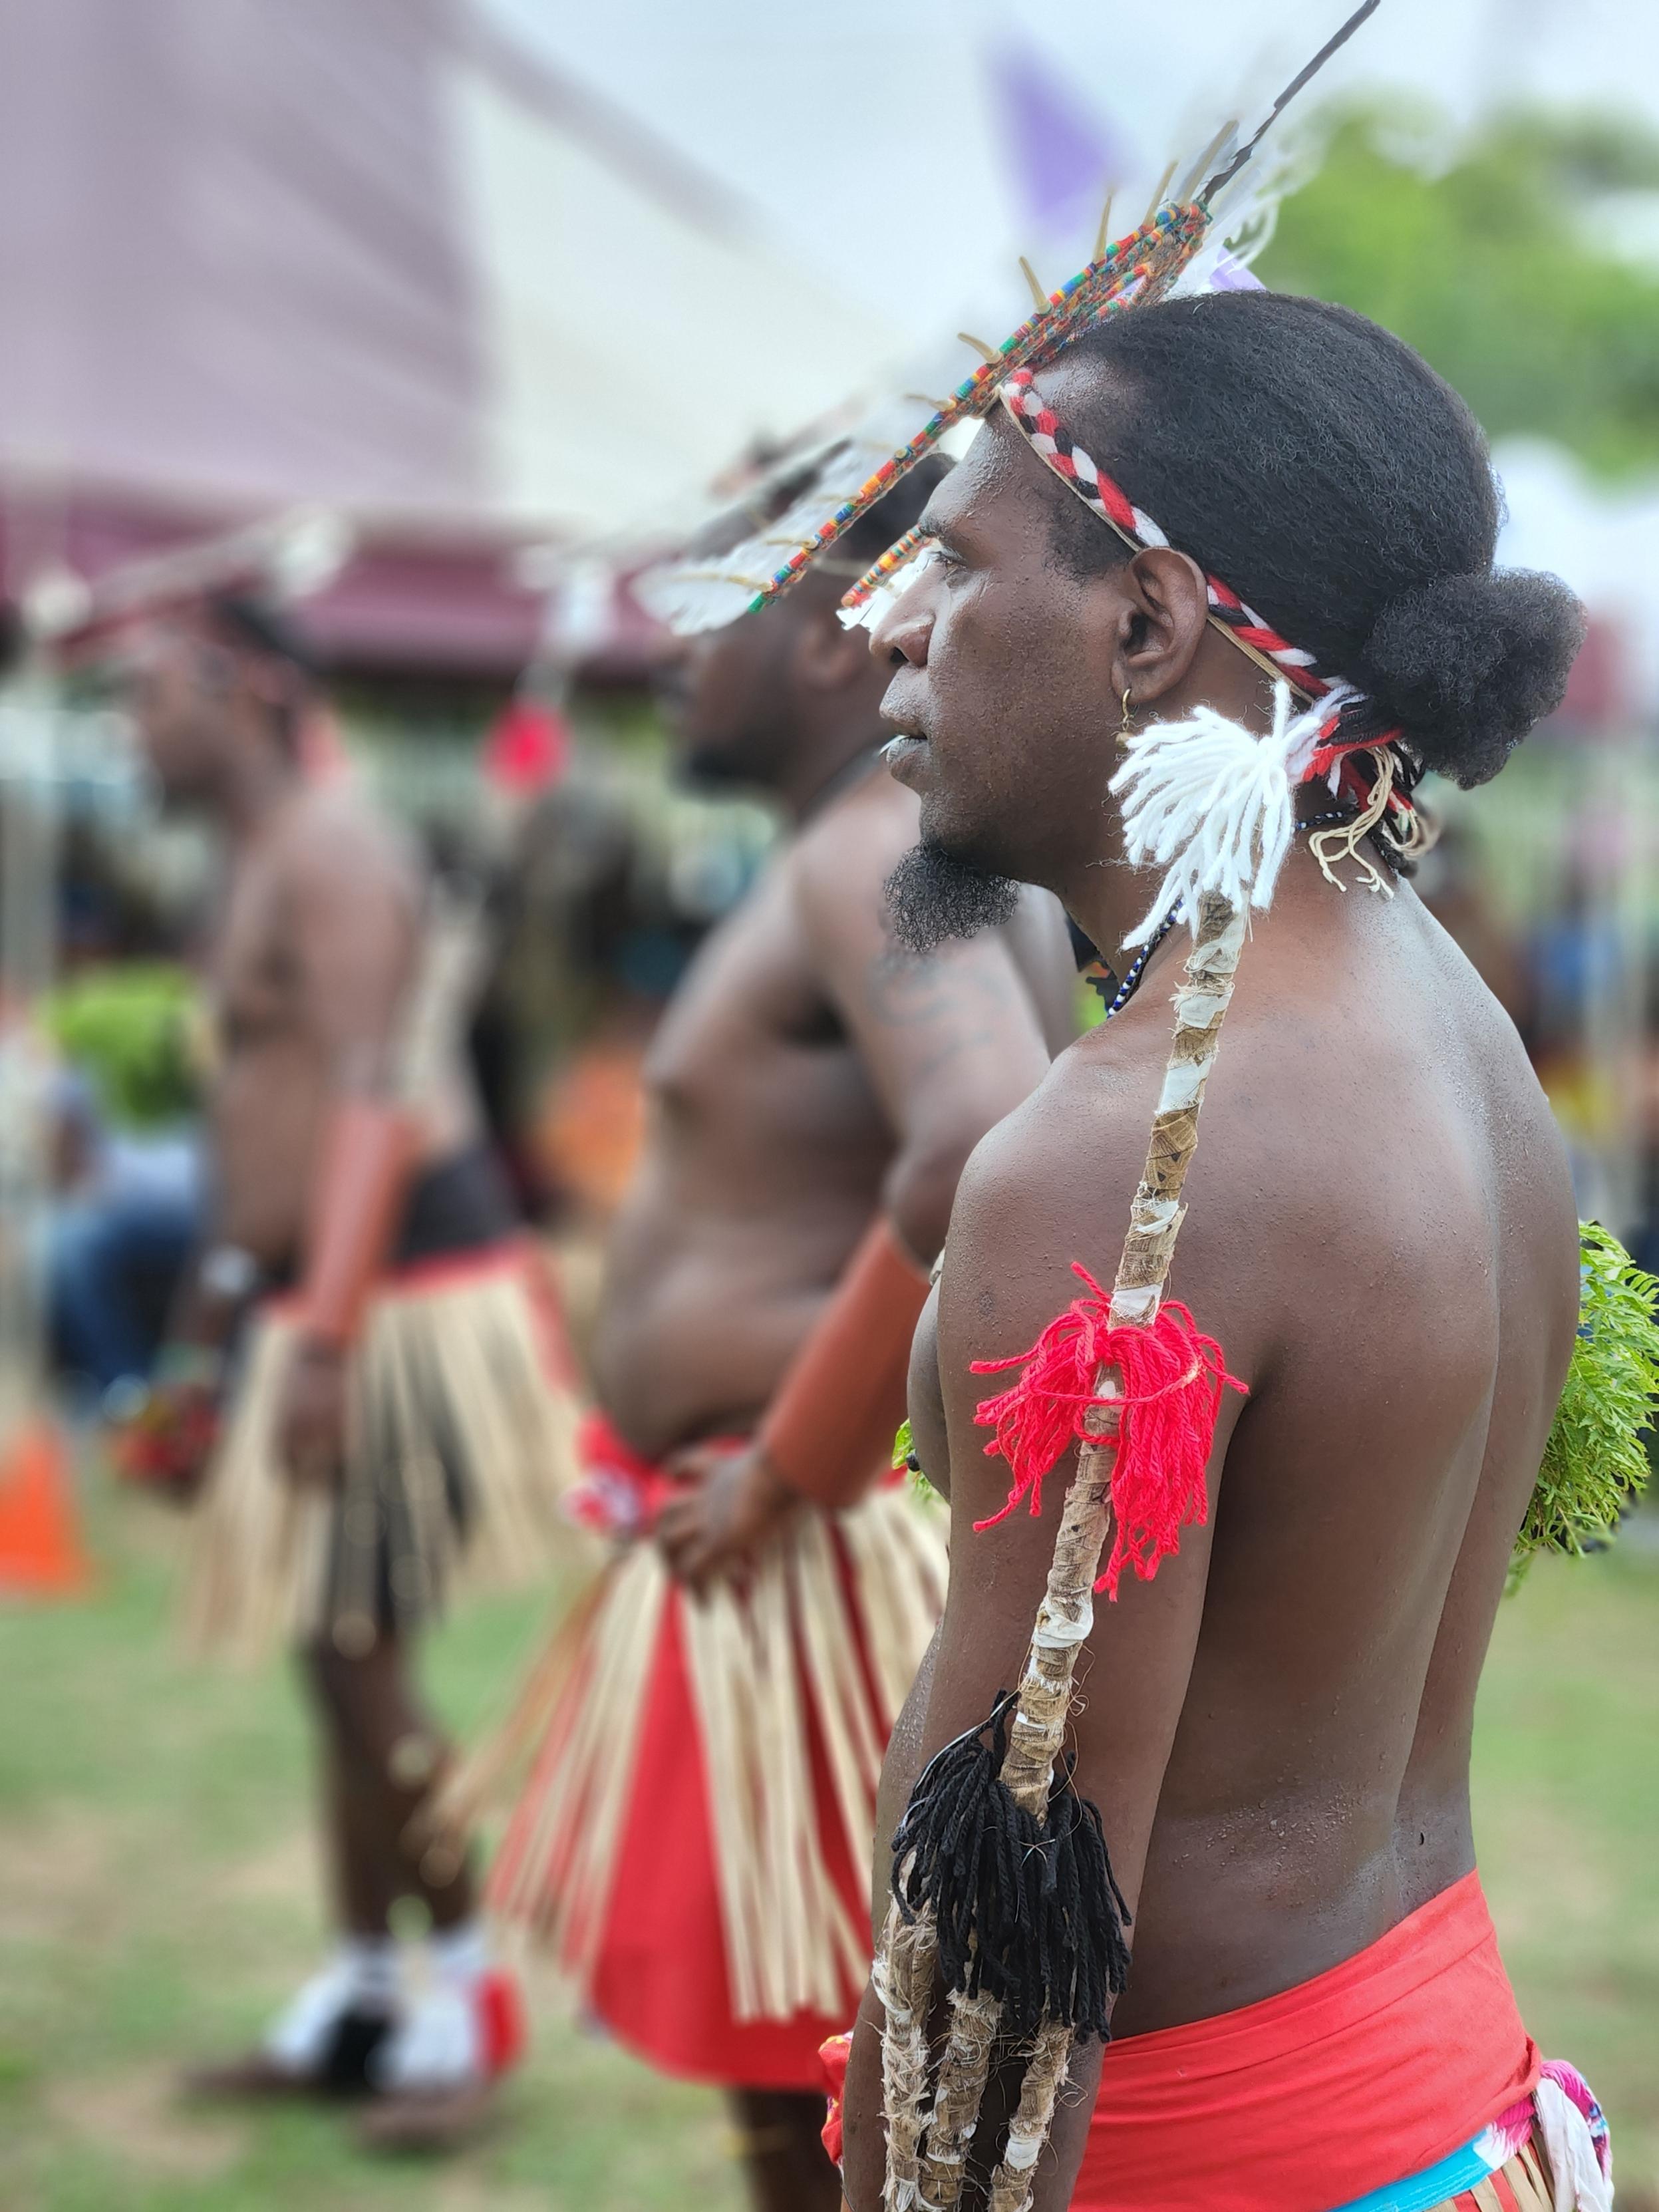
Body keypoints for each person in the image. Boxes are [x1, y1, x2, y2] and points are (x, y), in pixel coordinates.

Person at [813, 283, 1614, 2212]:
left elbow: (1015, 1907)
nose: (891, 629)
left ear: (1145, 625)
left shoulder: (1129, 1155)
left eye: (950, 559)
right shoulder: (1457, 1031)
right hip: (1442, 2110)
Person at [483, 460, 1078, 2209]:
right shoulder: (866, 851)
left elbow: (982, 1142)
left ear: (835, 627)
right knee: (818, 2097)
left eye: (702, 598)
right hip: (785, 1552)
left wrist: (783, 1468)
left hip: (810, 1549)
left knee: (853, 2097)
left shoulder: (880, 853)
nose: (657, 638)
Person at [119, 593, 579, 2133]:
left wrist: (315, 1331)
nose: (131, 726)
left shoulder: (333, 848)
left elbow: (378, 1098)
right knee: (332, 1656)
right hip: (313, 1298)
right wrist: (209, 1333)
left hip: (399, 1301)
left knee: (358, 1648)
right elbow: (261, 1119)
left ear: (238, 686)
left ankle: (469, 1995)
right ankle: (363, 1996)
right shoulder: (260, 857)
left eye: (147, 694)